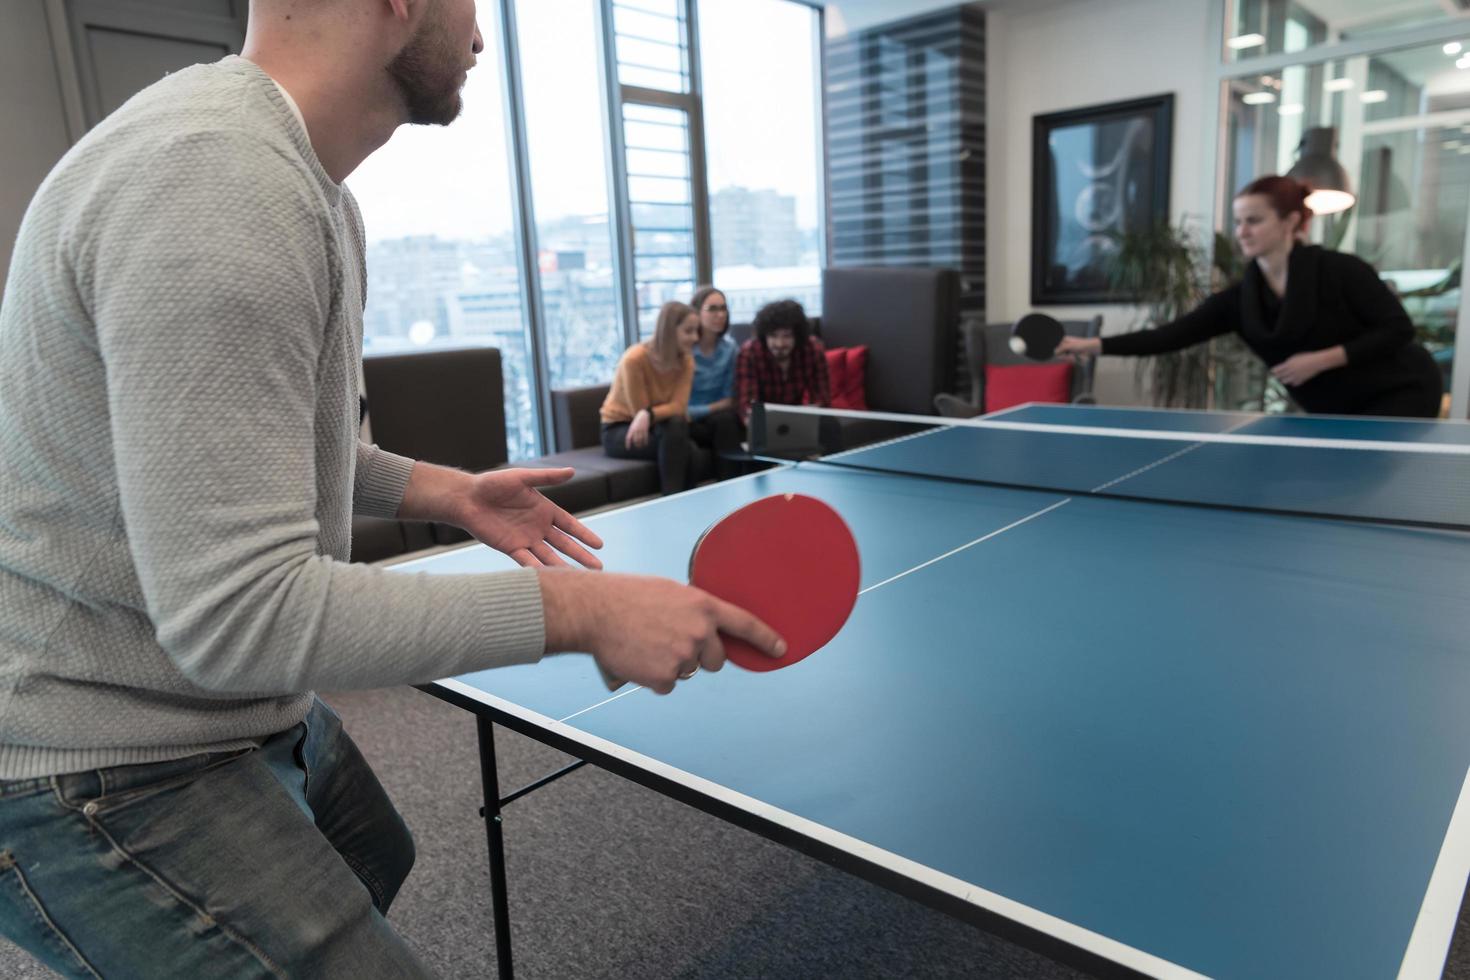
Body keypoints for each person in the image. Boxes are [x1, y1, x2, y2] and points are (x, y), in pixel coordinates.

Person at [0, 1, 784, 976]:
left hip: (214, 701)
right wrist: (577, 609)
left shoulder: (306, 187)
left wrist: (446, 491)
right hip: (92, 752)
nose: (483, 36)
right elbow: (235, 611)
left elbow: (232, 451)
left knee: (375, 849)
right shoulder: (214, 184)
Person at [1056, 174, 1443, 418]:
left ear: (1292, 222)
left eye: (1254, 220)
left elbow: (1398, 330)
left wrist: (1321, 360)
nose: (1241, 231)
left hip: (1399, 392)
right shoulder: (1240, 301)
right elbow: (1169, 336)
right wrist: (1090, 344)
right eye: (1238, 221)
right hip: (1333, 406)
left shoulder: (1341, 270)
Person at [600, 300, 700, 494]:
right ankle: (674, 503)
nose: (695, 337)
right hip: (619, 429)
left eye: (696, 331)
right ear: (670, 331)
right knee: (688, 449)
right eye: (688, 331)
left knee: (680, 431)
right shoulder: (634, 359)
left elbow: (679, 406)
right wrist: (646, 414)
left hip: (660, 425)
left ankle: (674, 503)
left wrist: (649, 414)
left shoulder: (686, 360)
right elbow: (639, 411)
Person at [734, 298, 831, 424]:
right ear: (764, 335)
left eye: (787, 336)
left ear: (797, 335)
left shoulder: (813, 349)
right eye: (773, 336)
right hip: (761, 422)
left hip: (799, 420)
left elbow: (822, 400)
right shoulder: (750, 353)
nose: (780, 344)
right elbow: (747, 405)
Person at [687, 285, 744, 479]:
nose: (720, 314)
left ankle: (731, 486)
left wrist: (710, 409)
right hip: (687, 421)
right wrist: (713, 408)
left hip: (716, 418)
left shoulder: (730, 349)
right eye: (712, 309)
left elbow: (729, 399)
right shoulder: (684, 350)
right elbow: (680, 408)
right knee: (725, 422)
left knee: (726, 421)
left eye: (723, 308)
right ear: (696, 313)